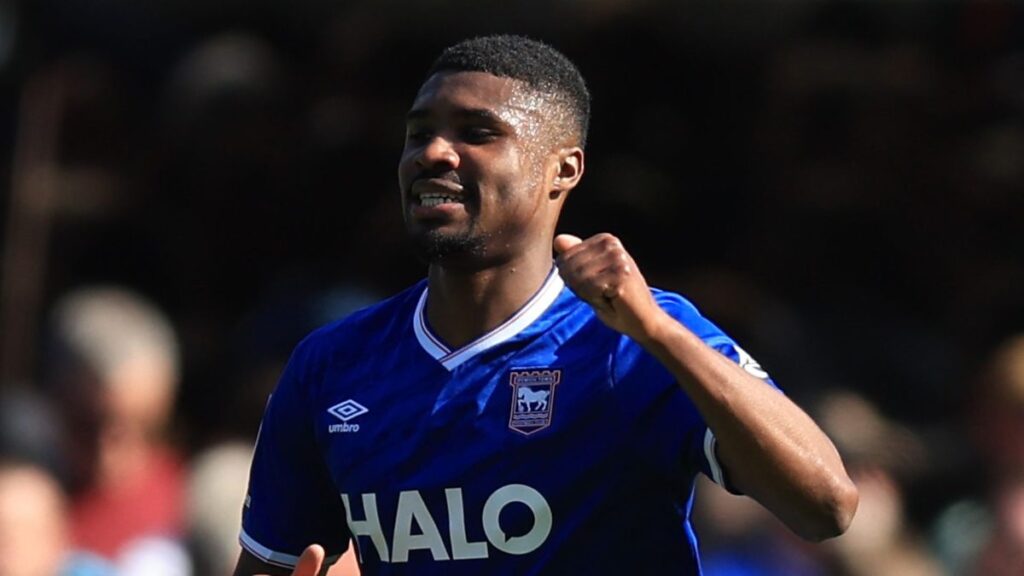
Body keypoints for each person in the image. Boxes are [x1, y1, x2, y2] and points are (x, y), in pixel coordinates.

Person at [233, 35, 858, 576]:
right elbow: (270, 566)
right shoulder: (331, 365)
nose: (434, 152)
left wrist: (658, 335)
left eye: (476, 133)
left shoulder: (630, 337)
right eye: (419, 133)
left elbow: (826, 505)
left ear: (563, 169)